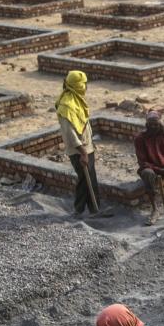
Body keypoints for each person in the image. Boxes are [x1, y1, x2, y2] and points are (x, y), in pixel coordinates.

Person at [56, 70, 110, 218]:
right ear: (76, 85)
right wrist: (83, 152)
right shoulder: (66, 106)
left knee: (89, 179)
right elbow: (69, 133)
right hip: (79, 150)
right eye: (83, 84)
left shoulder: (76, 99)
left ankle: (93, 208)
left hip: (87, 146)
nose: (86, 87)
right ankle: (81, 210)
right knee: (85, 180)